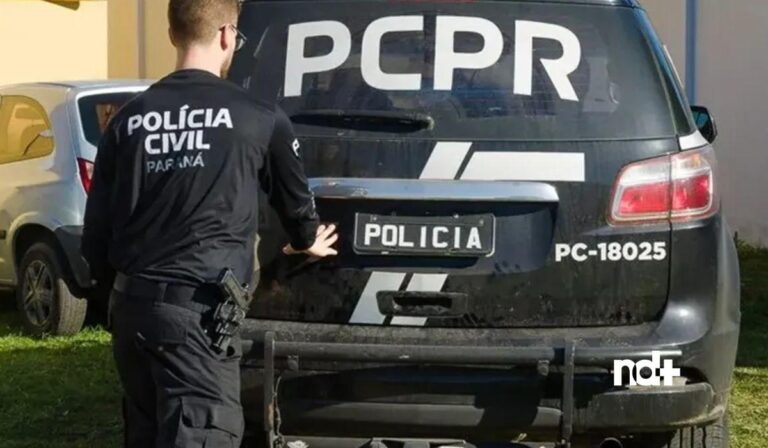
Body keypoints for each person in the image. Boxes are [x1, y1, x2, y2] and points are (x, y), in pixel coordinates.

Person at [81, 0, 338, 446]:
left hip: (132, 312)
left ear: (172, 34)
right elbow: (299, 212)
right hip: (198, 320)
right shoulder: (260, 116)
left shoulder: (125, 121)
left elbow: (95, 239)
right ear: (226, 34)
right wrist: (304, 242)